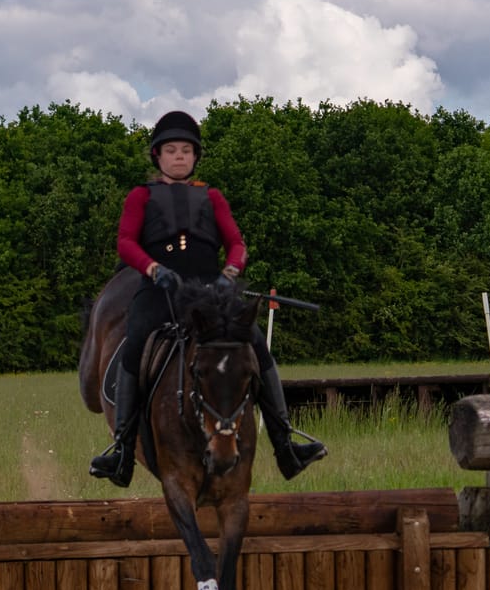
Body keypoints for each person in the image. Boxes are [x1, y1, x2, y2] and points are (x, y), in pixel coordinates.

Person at [90, 110, 327, 487]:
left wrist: (227, 275)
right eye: (171, 150)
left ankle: (286, 443)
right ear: (158, 156)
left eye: (186, 150)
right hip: (159, 289)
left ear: (195, 156)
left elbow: (236, 244)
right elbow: (126, 243)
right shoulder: (140, 197)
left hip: (209, 293)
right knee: (134, 344)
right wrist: (153, 270)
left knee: (256, 348)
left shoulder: (212, 197)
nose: (179, 156)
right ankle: (121, 450)